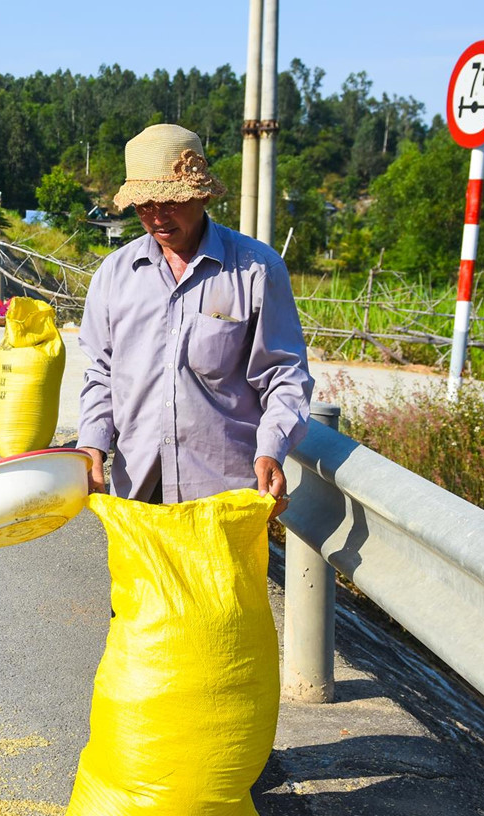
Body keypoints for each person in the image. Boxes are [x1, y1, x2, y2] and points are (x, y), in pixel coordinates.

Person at [77, 124, 312, 520]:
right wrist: (92, 446)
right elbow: (101, 373)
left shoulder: (256, 270)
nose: (156, 217)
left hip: (224, 497)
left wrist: (272, 447)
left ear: (201, 196)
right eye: (145, 204)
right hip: (137, 493)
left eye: (170, 201)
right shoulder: (116, 274)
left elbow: (284, 374)